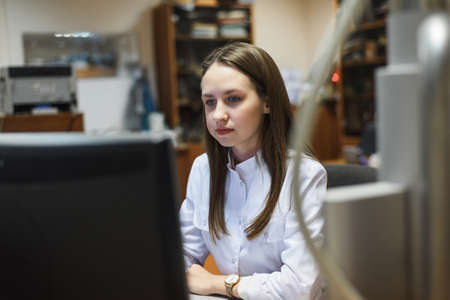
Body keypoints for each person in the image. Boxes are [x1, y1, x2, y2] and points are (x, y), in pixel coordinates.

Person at [179, 42, 327, 300]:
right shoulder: (204, 169)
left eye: (233, 99)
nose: (218, 115)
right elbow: (179, 254)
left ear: (267, 103)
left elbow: (299, 288)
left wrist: (220, 284)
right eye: (210, 102)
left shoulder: (304, 175)